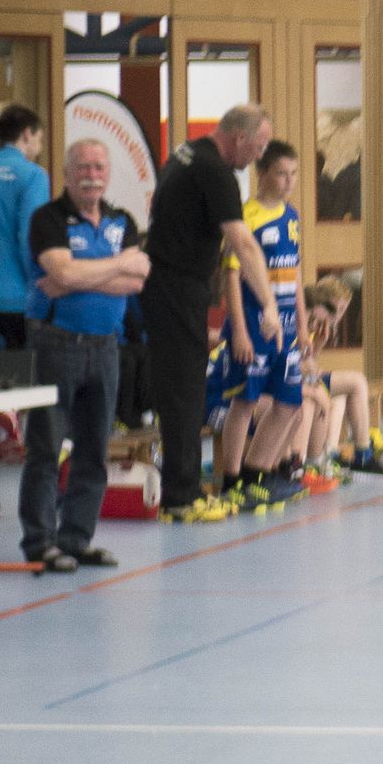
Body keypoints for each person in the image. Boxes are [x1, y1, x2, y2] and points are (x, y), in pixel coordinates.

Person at [17, 139, 148, 572]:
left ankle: (76, 539)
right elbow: (62, 270)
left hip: (106, 347)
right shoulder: (48, 219)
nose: (92, 175)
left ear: (108, 173)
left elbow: (137, 280)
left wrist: (79, 275)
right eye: (83, 167)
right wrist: (117, 263)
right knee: (46, 447)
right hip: (56, 345)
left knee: (94, 449)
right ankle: (40, 542)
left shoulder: (121, 220)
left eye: (99, 167)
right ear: (68, 172)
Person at [144, 104, 274, 522]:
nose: (259, 155)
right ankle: (180, 497)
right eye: (259, 146)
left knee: (182, 388)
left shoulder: (186, 153)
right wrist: (269, 303)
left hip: (169, 284)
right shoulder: (215, 171)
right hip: (177, 286)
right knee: (184, 391)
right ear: (239, 137)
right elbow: (244, 243)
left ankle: (182, 489)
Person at [216, 142, 310, 512]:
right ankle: (231, 480)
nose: (289, 181)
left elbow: (296, 272)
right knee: (245, 401)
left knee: (290, 402)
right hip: (254, 323)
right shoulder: (245, 216)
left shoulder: (293, 216)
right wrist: (239, 330)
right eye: (282, 174)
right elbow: (231, 276)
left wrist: (302, 324)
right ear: (263, 173)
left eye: (294, 174)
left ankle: (258, 473)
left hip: (285, 326)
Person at [0, 104, 49, 521]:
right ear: (27, 135)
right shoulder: (31, 176)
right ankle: (9, 412)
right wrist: (40, 285)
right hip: (17, 296)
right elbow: (28, 236)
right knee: (20, 380)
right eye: (39, 139)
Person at [299, 278, 383, 477]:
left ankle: (332, 453)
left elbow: (309, 362)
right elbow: (299, 365)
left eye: (344, 309)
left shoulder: (319, 326)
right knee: (356, 382)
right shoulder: (306, 322)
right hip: (294, 380)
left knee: (342, 395)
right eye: (338, 308)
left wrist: (319, 343)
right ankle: (356, 454)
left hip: (302, 377)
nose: (340, 314)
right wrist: (314, 381)